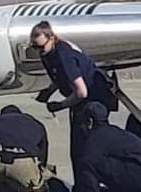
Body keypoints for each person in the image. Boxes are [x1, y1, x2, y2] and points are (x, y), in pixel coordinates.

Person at [29, 21, 115, 178]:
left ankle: (89, 187)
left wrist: (59, 105)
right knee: (77, 149)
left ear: (51, 38)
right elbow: (60, 76)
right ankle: (83, 187)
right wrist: (48, 92)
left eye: (41, 47)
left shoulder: (64, 54)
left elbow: (82, 92)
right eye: (35, 47)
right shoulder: (48, 53)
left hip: (94, 101)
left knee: (85, 150)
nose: (39, 51)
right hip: (81, 100)